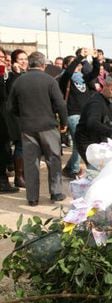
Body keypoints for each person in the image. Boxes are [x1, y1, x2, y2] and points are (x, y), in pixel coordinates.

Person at [8, 51, 68, 206]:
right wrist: (63, 122)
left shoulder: (19, 81)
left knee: (30, 163)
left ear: (29, 63)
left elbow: (11, 107)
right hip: (48, 126)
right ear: (43, 65)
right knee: (53, 159)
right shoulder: (50, 80)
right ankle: (56, 193)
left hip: (27, 127)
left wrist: (23, 116)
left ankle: (32, 197)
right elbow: (60, 104)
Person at [75, 73, 112, 167]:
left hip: (98, 140)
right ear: (105, 86)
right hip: (87, 142)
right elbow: (92, 123)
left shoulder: (109, 100)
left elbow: (106, 122)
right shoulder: (96, 103)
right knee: (97, 171)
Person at [59, 48, 100, 179]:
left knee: (83, 142)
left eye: (79, 64)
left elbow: (95, 72)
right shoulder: (65, 78)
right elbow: (69, 72)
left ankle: (69, 167)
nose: (77, 66)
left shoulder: (84, 78)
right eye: (74, 64)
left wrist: (94, 59)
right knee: (79, 142)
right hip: (73, 114)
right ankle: (74, 169)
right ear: (67, 65)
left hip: (85, 115)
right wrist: (79, 57)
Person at [5, 49, 29, 188]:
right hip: (16, 116)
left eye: (25, 59)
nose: (24, 61)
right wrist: (17, 73)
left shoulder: (27, 74)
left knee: (27, 146)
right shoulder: (11, 76)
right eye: (20, 59)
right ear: (14, 61)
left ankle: (25, 174)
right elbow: (13, 91)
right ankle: (19, 176)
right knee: (20, 145)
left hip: (28, 115)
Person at [0, 47, 19, 194]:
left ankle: (3, 180)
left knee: (5, 150)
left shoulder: (5, 74)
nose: (2, 61)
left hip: (5, 121)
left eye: (3, 58)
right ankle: (2, 182)